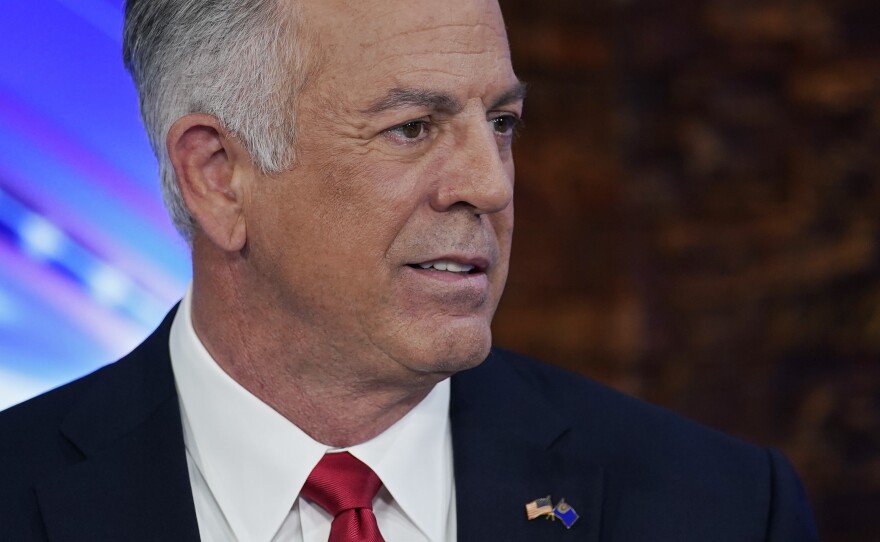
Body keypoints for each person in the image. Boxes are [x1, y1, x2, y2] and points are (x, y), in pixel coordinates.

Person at [0, 0, 818, 540]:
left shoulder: (726, 508)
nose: (491, 185)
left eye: (501, 121)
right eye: (412, 128)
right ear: (218, 175)